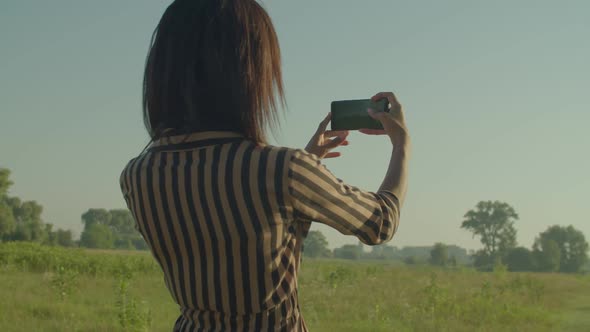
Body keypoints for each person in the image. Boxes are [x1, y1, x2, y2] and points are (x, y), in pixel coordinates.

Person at [119, 0, 410, 331]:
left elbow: (228, 212)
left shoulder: (136, 175)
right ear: (249, 73)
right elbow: (380, 223)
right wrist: (402, 145)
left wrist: (305, 164)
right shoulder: (283, 171)